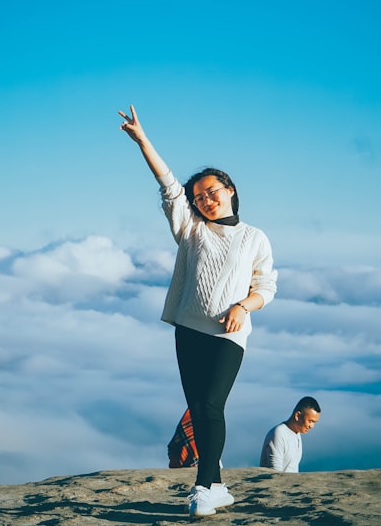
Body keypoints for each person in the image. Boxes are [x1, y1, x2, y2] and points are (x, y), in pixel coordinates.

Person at [119, 105, 277, 518]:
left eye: (212, 192)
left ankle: (204, 488)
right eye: (199, 197)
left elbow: (266, 286)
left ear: (231, 190)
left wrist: (245, 306)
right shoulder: (191, 229)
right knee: (199, 407)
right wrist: (143, 141)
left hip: (228, 334)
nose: (205, 200)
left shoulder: (255, 237)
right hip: (188, 329)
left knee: (210, 405)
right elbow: (169, 185)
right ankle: (217, 484)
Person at [259, 396, 321, 473]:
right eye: (310, 421)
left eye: (314, 422)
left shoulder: (297, 433)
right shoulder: (279, 434)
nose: (312, 426)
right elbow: (274, 474)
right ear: (297, 416)